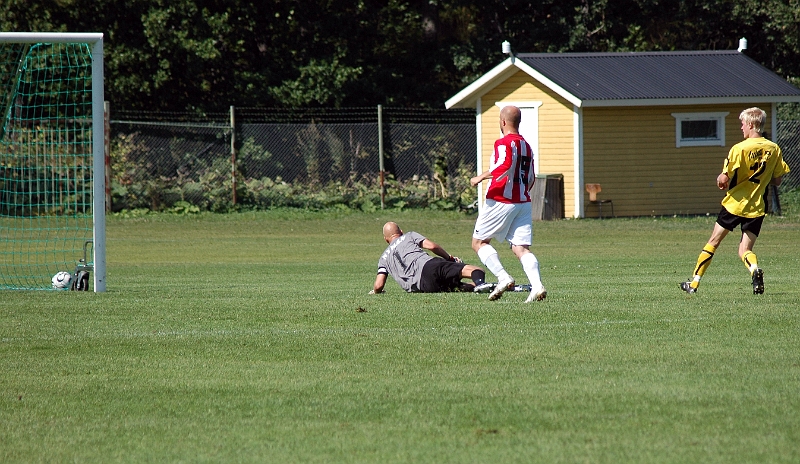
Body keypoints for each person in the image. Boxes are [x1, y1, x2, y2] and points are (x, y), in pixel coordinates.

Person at [680, 107, 790, 295]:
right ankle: (754, 270)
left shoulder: (739, 148)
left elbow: (724, 179)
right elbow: (778, 180)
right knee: (744, 249)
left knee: (713, 242)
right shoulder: (774, 148)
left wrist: (720, 180)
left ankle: (694, 284)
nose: (741, 128)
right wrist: (761, 178)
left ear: (751, 124)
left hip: (735, 204)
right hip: (757, 206)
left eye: (742, 124)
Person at [470, 105, 547, 303]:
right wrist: (521, 194)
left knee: (479, 242)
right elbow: (531, 178)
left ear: (503, 122)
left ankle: (503, 277)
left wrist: (481, 177)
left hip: (501, 200)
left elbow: (503, 165)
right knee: (521, 248)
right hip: (522, 202)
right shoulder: (527, 146)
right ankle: (537, 286)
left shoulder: (504, 143)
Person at [370, 222, 490, 294]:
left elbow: (378, 285)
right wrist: (449, 258)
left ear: (386, 239)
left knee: (458, 287)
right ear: (401, 232)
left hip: (424, 286)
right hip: (429, 267)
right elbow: (432, 246)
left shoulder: (383, 259)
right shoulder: (408, 236)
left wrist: (375, 292)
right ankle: (481, 284)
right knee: (477, 270)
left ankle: (486, 287)